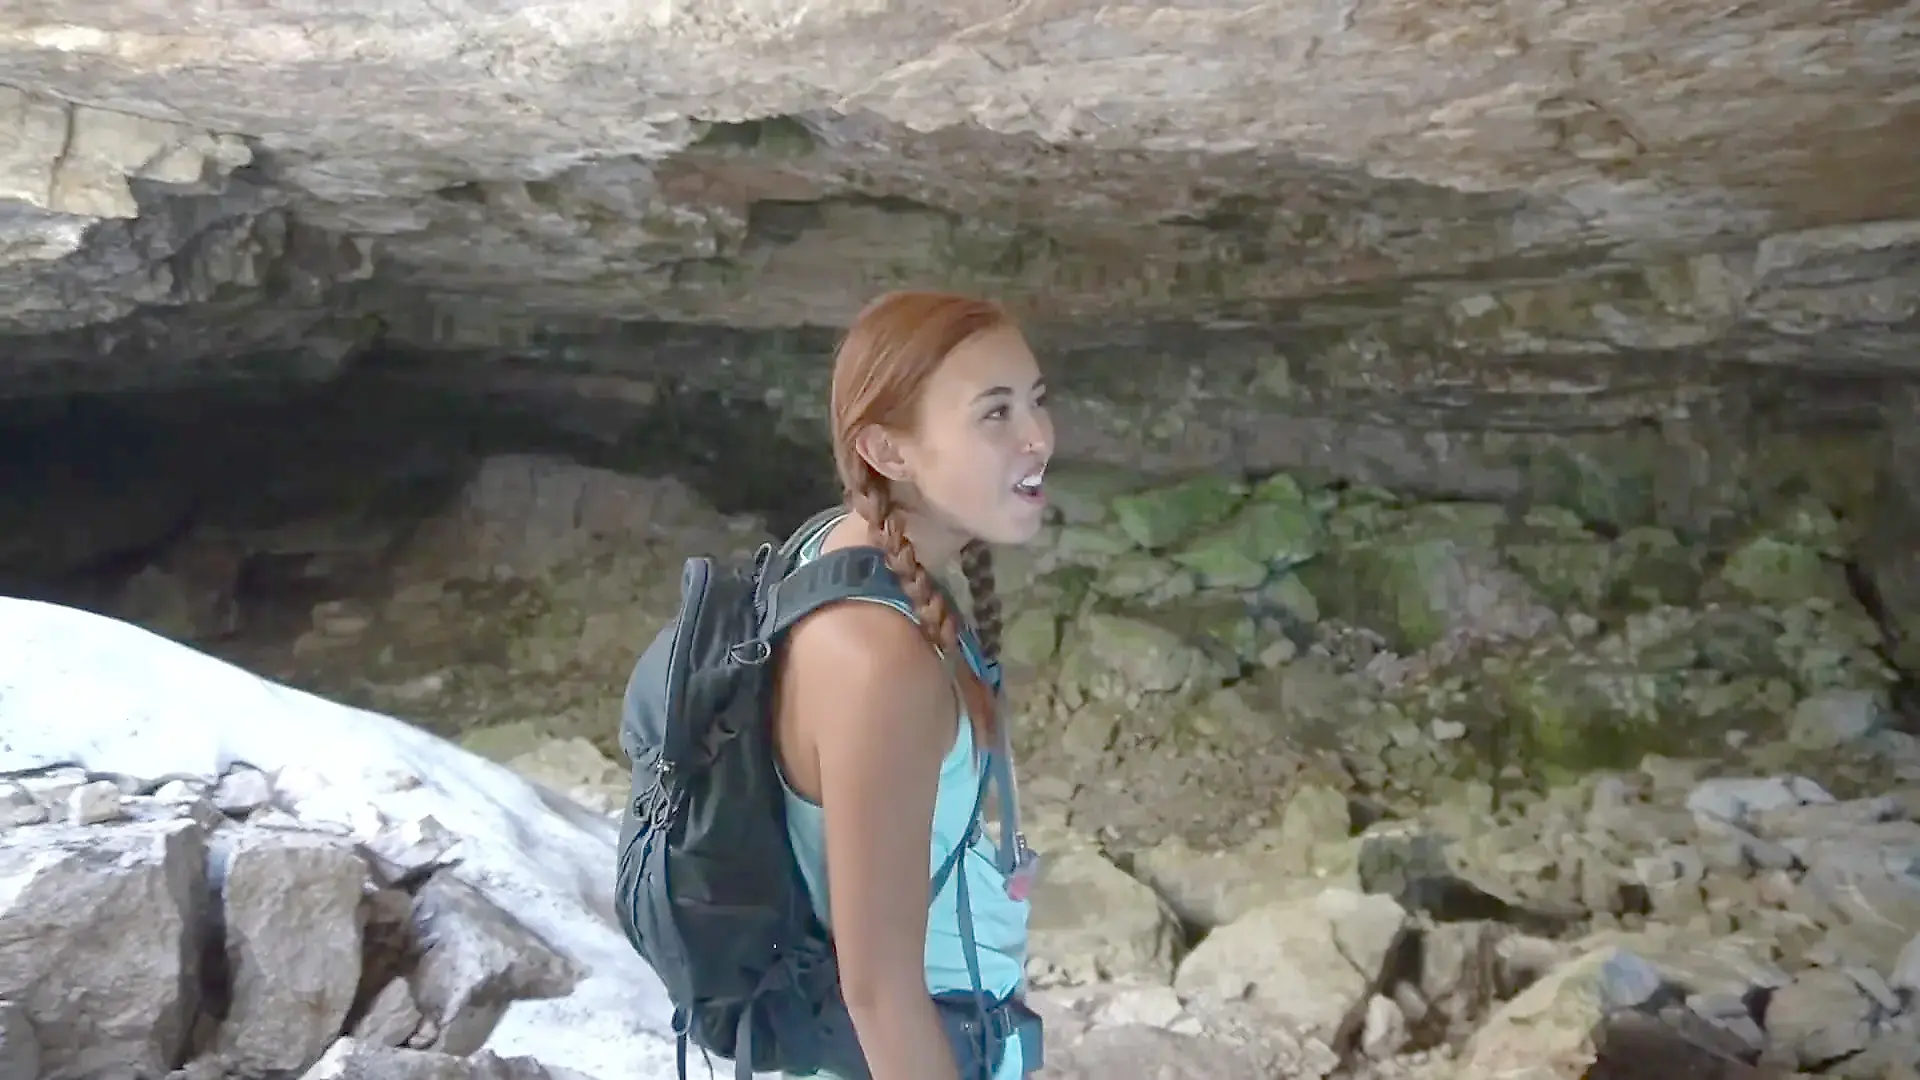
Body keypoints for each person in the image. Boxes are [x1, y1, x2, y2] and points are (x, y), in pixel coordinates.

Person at [770, 289, 1054, 1080]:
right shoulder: (875, 657)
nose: (1038, 435)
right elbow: (879, 991)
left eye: (1037, 400)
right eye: (994, 413)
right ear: (888, 453)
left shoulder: (845, 553)